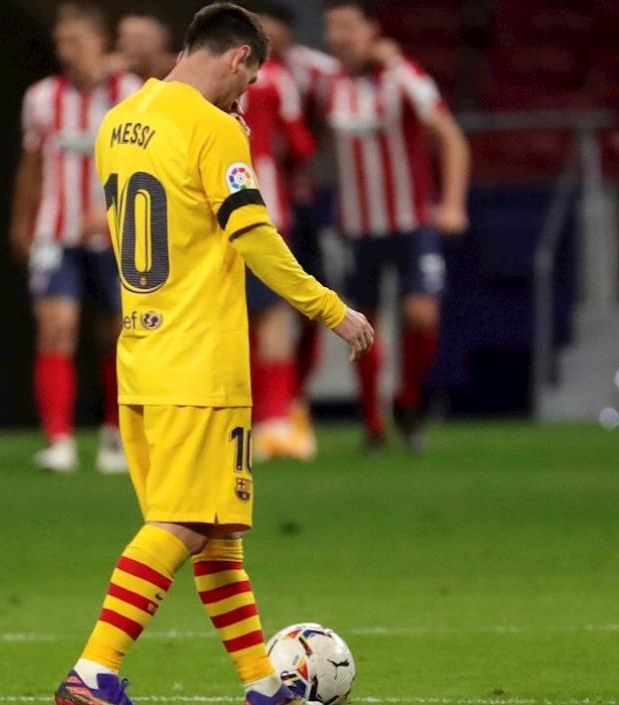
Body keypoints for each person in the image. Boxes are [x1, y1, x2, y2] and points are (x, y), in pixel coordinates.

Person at [55, 4, 373, 704]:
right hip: (201, 362)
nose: (247, 93)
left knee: (216, 533)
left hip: (142, 357)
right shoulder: (216, 130)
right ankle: (94, 670)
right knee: (181, 524)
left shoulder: (120, 119)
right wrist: (330, 307)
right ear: (236, 59)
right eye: (250, 77)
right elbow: (254, 236)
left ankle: (262, 683)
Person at [323, 0, 470, 451]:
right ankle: (372, 423)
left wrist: (452, 203)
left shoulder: (403, 74)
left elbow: (450, 137)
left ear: (371, 30)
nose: (340, 37)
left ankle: (407, 400)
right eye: (332, 28)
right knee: (360, 322)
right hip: (359, 226)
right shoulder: (327, 84)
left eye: (349, 26)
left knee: (420, 313)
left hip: (412, 221)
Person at [11, 2, 141, 474]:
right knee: (55, 327)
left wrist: (114, 215)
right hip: (56, 231)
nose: (66, 51)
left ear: (100, 43)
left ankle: (115, 434)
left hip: (117, 234)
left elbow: (151, 167)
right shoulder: (43, 97)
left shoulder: (131, 94)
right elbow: (32, 163)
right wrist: (21, 221)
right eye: (61, 42)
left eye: (76, 42)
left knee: (117, 334)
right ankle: (59, 440)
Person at [236, 26, 316, 460]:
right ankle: (276, 421)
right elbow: (301, 144)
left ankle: (238, 423)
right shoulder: (277, 77)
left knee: (231, 319)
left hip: (215, 211)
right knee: (271, 317)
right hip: (267, 207)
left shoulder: (196, 80)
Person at [114, 9, 175, 81]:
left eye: (139, 39)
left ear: (160, 42)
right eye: (125, 39)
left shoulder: (177, 70)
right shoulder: (112, 77)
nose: (133, 47)